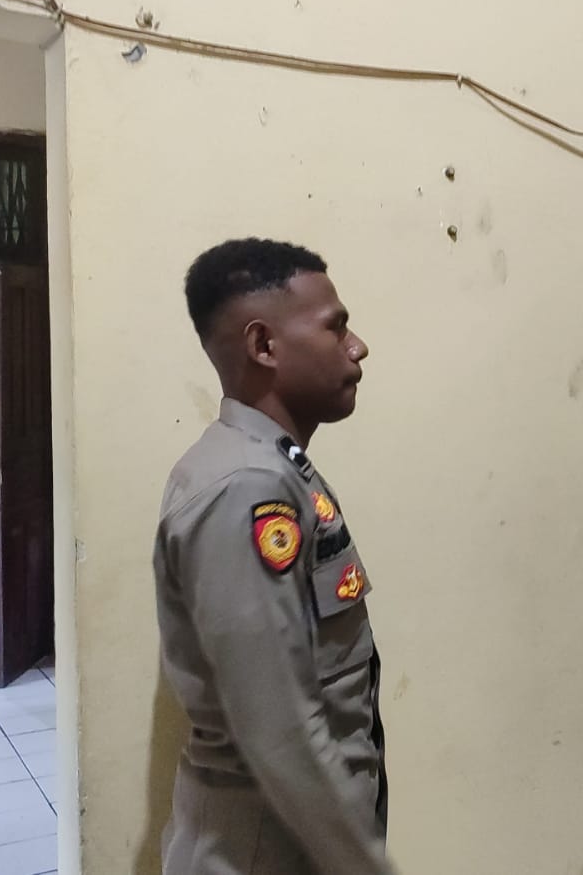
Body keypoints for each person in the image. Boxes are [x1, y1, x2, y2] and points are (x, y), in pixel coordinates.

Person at [152, 238, 393, 874]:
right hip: (262, 854)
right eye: (335, 327)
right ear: (264, 346)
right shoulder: (246, 488)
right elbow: (277, 729)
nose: (357, 347)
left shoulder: (269, 468)